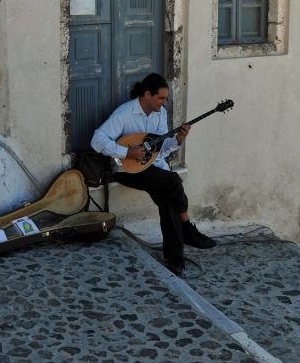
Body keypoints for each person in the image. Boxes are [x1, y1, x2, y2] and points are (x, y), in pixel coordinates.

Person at [91, 72, 215, 276]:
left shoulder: (160, 114)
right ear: (147, 94)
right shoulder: (125, 113)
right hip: (126, 169)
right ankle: (187, 228)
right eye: (161, 98)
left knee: (167, 199)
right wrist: (126, 152)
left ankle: (175, 257)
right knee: (173, 181)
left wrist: (178, 140)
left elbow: (160, 148)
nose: (164, 102)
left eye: (165, 98)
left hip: (152, 168)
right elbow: (97, 140)